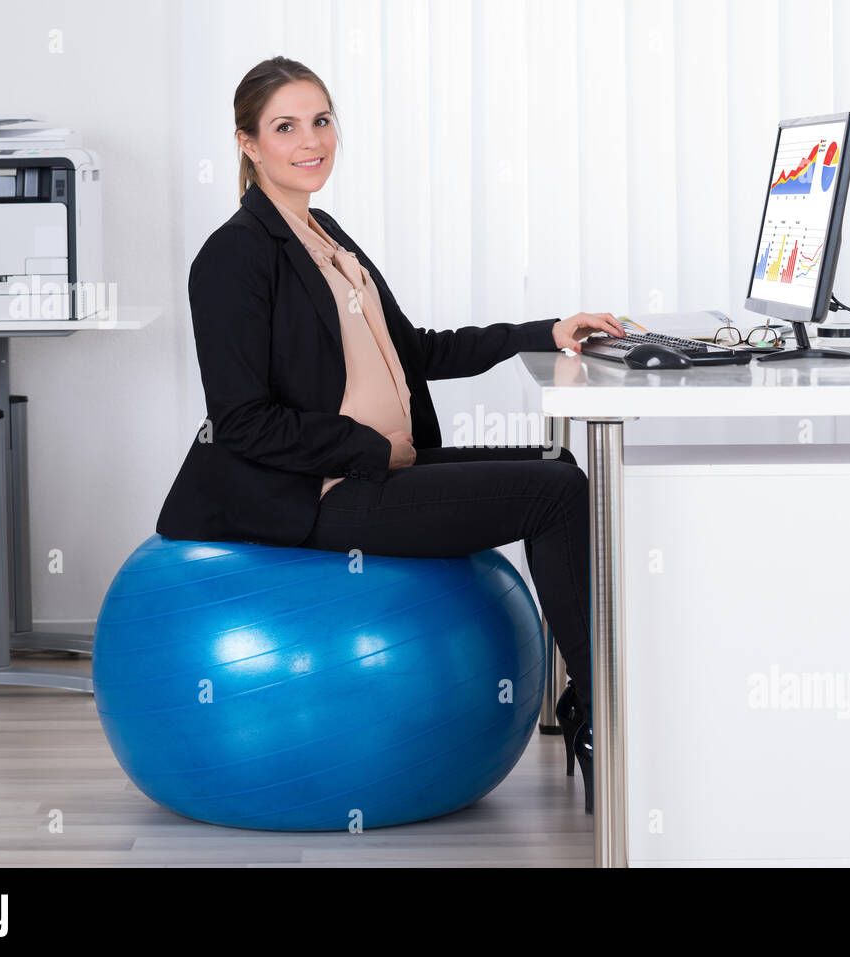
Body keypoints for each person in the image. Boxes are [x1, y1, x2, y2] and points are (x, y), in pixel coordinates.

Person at [156, 56, 627, 814]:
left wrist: (544, 331)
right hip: (321, 493)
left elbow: (417, 351)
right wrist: (369, 450)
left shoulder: (325, 233)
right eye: (285, 127)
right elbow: (240, 419)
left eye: (321, 120)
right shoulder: (234, 255)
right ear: (247, 143)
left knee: (557, 467)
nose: (311, 141)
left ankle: (588, 706)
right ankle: (605, 719)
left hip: (379, 471)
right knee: (555, 495)